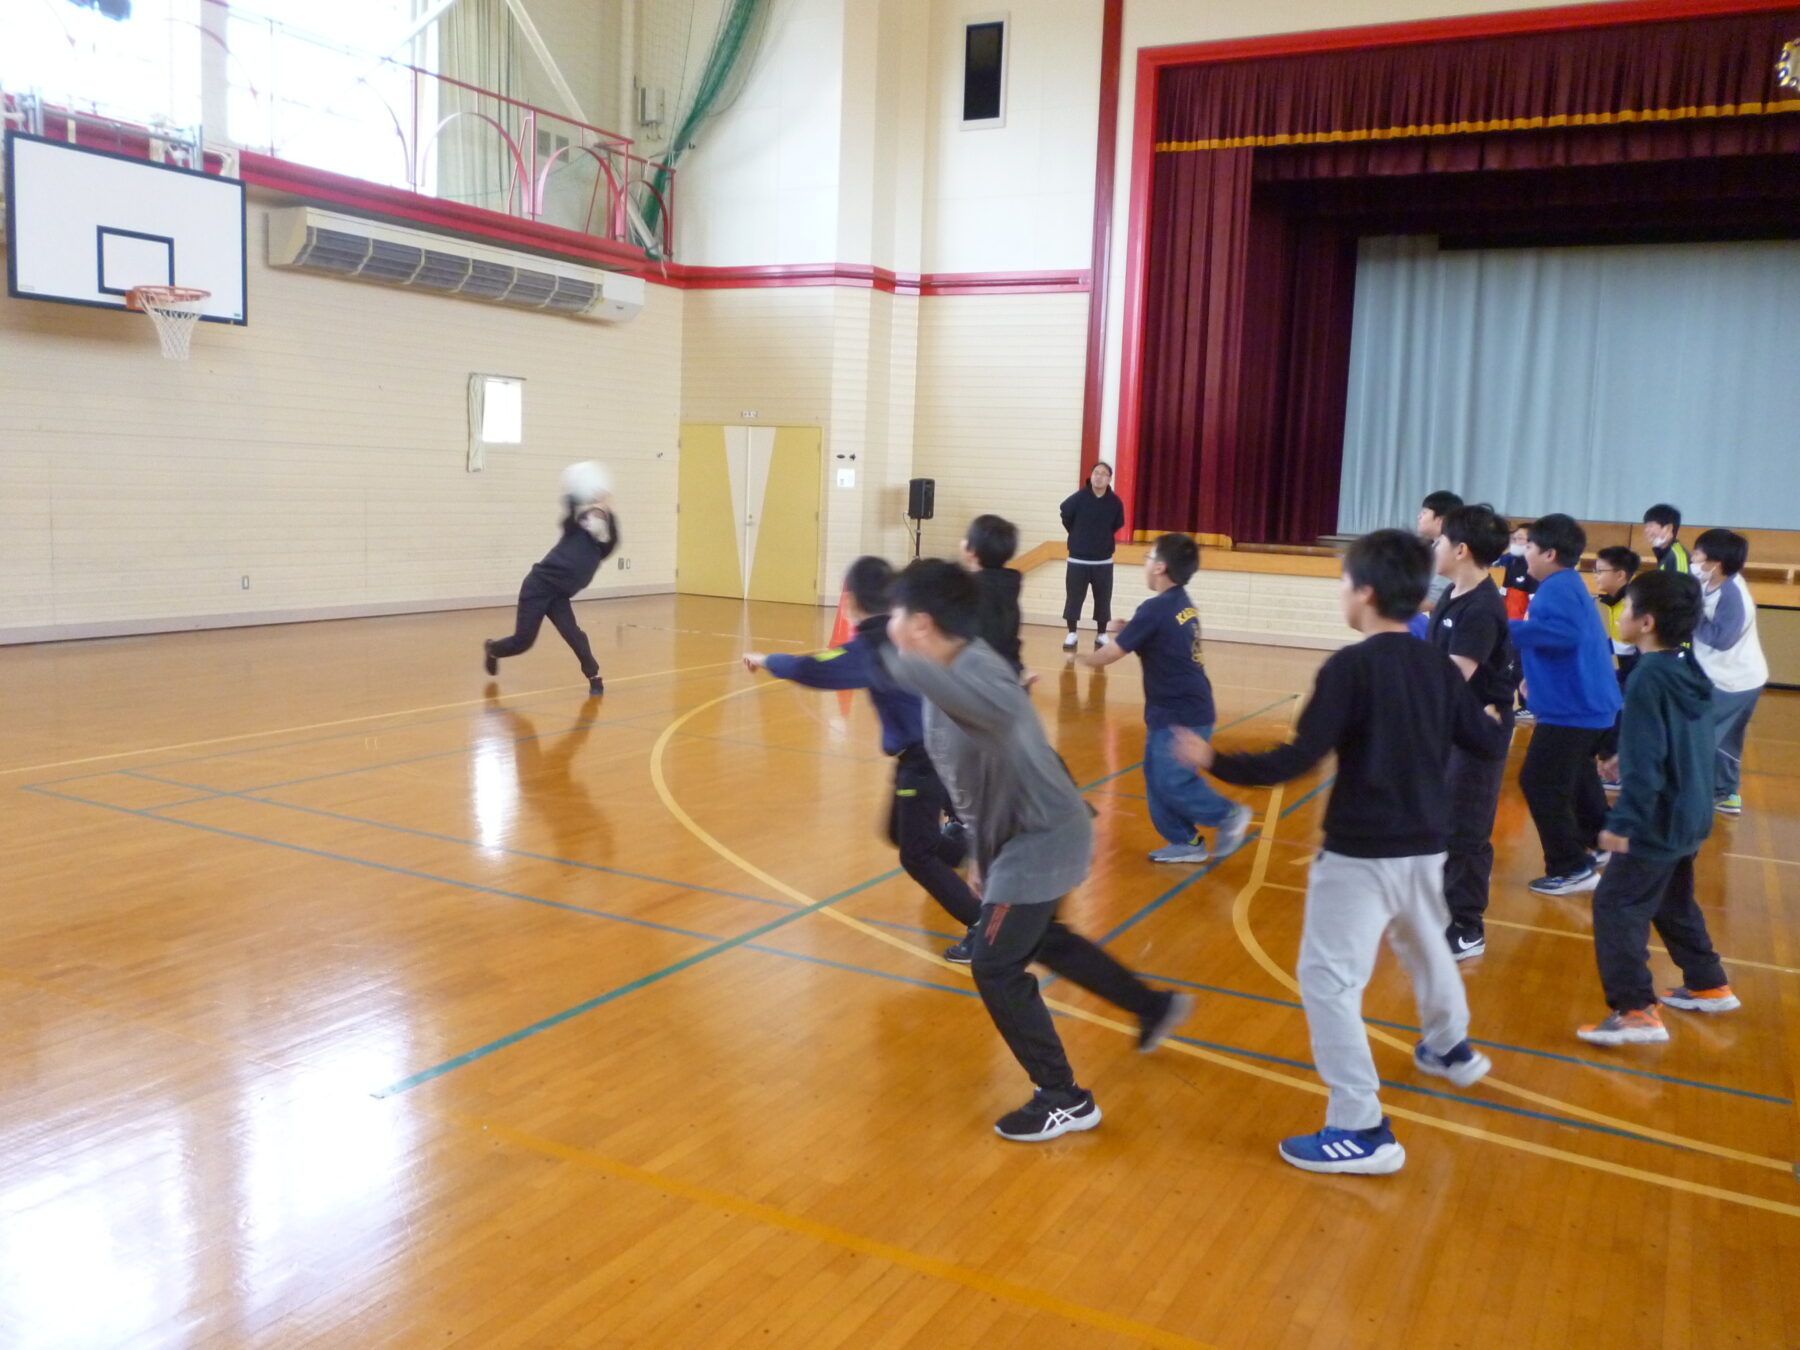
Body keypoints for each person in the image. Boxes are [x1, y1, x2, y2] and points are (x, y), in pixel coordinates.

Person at [1172, 530, 1509, 1175]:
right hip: (1425, 848)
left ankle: (1360, 1126)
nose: (1340, 593)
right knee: (1424, 942)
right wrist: (1496, 712)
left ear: (1366, 593)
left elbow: (1295, 760)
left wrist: (1213, 759)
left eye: (1344, 582)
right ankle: (1449, 1045)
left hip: (1360, 857)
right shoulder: (1436, 665)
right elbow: (1487, 745)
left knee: (1328, 982)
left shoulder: (1349, 668)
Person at [882, 559, 1193, 1141]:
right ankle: (1152, 1007)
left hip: (1041, 838)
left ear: (920, 623)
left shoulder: (972, 675)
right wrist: (981, 854)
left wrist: (884, 652)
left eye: (898, 614)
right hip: (1023, 835)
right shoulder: (951, 665)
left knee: (995, 964)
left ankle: (1064, 1097)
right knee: (1044, 939)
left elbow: (990, 716)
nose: (891, 623)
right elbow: (977, 777)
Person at [744, 557, 980, 962]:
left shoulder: (874, 645)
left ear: (850, 601)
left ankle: (984, 927)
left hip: (929, 755)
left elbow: (814, 669)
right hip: (948, 744)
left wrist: (769, 660)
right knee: (897, 831)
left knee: (916, 853)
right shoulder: (911, 632)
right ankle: (970, 854)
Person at [1580, 569, 1738, 1046]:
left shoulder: (1648, 675)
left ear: (1645, 622)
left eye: (1626, 608)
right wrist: (1625, 755)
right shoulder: (1686, 666)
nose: (1620, 615)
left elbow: (1649, 766)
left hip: (1657, 820)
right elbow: (1676, 741)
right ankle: (1708, 982)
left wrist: (1621, 823)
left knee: (1616, 902)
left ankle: (1635, 1010)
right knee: (1671, 900)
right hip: (1691, 813)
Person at [1077, 533, 1253, 864]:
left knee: (1172, 780)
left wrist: (1084, 658)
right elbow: (1160, 634)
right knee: (1157, 779)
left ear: (1160, 567)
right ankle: (1186, 841)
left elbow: (1113, 653)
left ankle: (1228, 814)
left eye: (1147, 557)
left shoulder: (1155, 609)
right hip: (1176, 708)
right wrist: (1131, 626)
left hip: (1181, 712)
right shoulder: (1181, 603)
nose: (1144, 563)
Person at [1510, 514, 1622, 896]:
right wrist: (1532, 676)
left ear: (1549, 552)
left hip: (1575, 709)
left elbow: (1562, 634)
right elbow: (1564, 642)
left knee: (1539, 781)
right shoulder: (1566, 584)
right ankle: (1600, 839)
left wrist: (1502, 627)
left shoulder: (1557, 586)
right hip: (1588, 704)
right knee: (1576, 774)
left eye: (1529, 546)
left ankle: (1571, 866)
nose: (1524, 552)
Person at [1427, 504, 1518, 961]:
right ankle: (1439, 909)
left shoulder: (1481, 608)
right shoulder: (1452, 593)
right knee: (1440, 820)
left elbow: (1447, 678)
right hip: (1454, 723)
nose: (1434, 546)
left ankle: (1468, 926)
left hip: (1480, 730)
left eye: (1440, 540)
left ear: (1461, 549)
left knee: (1466, 828)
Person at [484, 489, 618, 696]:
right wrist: (589, 500)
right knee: (524, 641)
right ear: (584, 519)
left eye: (601, 517)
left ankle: (594, 676)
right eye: (593, 515)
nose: (596, 517)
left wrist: (608, 509)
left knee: (574, 635)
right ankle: (493, 649)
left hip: (559, 597)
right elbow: (571, 502)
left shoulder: (601, 550)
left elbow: (614, 538)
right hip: (537, 588)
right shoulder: (573, 531)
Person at [1689, 528, 1769, 817]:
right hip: (1730, 677)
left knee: (1701, 736)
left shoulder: (1732, 595)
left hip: (1733, 681)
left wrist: (1692, 616)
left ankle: (1706, 795)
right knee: (1724, 739)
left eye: (1698, 554)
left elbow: (1722, 640)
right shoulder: (1710, 582)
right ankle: (1725, 793)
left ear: (1716, 563)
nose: (1693, 558)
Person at [1059, 462, 1126, 652]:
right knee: (1074, 598)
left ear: (1109, 479)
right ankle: (1072, 633)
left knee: (1103, 598)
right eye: (1096, 472)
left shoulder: (1115, 502)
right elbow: (1065, 514)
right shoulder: (1078, 498)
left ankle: (1102, 633)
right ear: (1091, 475)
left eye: (1104, 474)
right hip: (1077, 560)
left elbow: (1116, 524)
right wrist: (1078, 535)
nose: (1099, 476)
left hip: (1103, 561)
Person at [1592, 545, 1642, 789]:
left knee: (1619, 719)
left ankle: (1617, 771)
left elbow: (1623, 648)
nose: (1596, 576)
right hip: (1624, 671)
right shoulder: (1612, 601)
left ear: (1620, 575)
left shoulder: (1630, 603)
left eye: (1601, 570)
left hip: (1635, 673)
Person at [960, 513, 1025, 676]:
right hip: (1009, 671)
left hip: (980, 678)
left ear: (971, 552)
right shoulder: (1008, 585)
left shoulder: (968, 592)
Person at [1499, 521, 1537, 721]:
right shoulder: (1511, 563)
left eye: (1519, 539)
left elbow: (1533, 602)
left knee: (1522, 666)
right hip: (1509, 623)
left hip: (1523, 626)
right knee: (1509, 666)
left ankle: (1529, 706)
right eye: (1513, 538)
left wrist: (1526, 628)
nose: (1515, 541)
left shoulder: (1532, 568)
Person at [1416, 490, 1464, 610]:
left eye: (1424, 512)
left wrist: (1388, 608)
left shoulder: (1449, 550)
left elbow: (1434, 599)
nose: (1419, 516)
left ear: (1440, 520)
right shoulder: (1433, 547)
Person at [1642, 504, 1690, 576]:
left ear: (1668, 528)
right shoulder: (1664, 552)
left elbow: (1681, 585)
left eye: (1650, 526)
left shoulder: (1677, 555)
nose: (1646, 530)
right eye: (1645, 526)